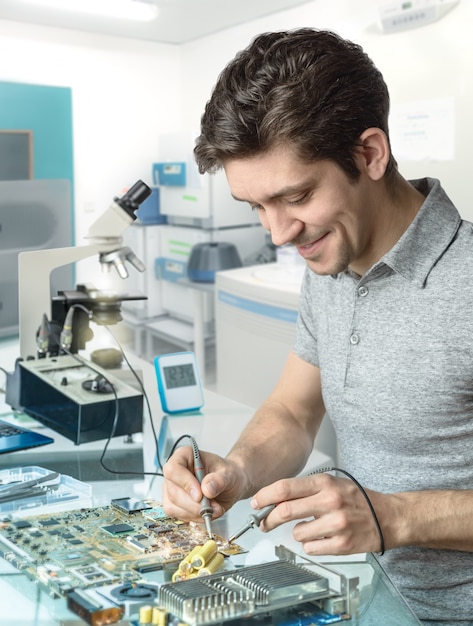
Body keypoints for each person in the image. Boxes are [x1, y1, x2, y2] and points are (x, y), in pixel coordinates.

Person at [162, 28, 473, 624]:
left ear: (369, 154)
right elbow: (293, 411)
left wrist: (395, 517)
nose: (278, 233)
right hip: (365, 600)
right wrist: (238, 469)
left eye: (296, 195)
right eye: (256, 206)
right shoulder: (328, 267)